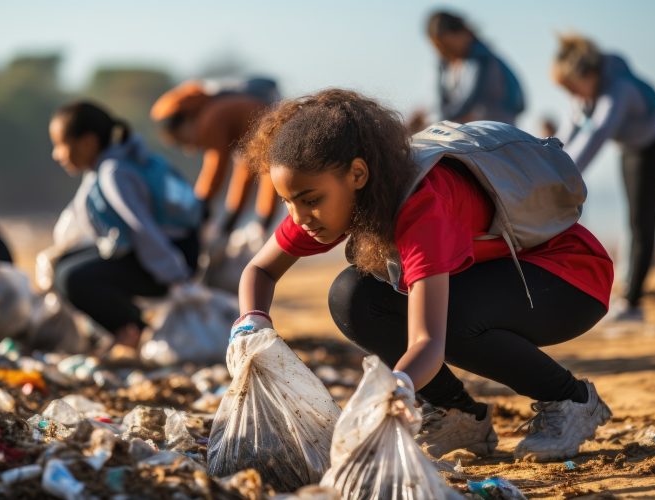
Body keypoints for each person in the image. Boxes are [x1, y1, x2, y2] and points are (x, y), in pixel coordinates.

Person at [231, 89, 614, 462]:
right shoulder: (323, 195)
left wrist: (394, 391)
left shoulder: (421, 204)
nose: (299, 218)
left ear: (358, 174)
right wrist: (251, 325)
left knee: (450, 317)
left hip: (568, 279)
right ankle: (457, 416)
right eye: (288, 202)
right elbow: (261, 270)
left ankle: (570, 399)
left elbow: (428, 340)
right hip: (495, 278)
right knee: (352, 296)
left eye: (310, 201)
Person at [48, 100, 201, 349]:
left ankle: (134, 331)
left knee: (70, 278)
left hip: (172, 256)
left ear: (88, 142)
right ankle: (131, 324)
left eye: (60, 146)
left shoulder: (113, 173)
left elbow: (142, 228)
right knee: (64, 265)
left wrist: (178, 281)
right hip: (165, 251)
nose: (56, 155)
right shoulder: (113, 164)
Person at [552, 34, 655, 322]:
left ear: (588, 74)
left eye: (573, 88)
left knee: (641, 221)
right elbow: (566, 135)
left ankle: (632, 303)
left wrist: (558, 179)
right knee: (630, 222)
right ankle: (627, 293)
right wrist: (542, 163)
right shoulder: (585, 94)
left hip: (653, 147)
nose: (573, 96)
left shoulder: (619, 90)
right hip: (630, 150)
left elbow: (596, 135)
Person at [150, 78, 279, 236]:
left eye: (182, 141)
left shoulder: (211, 118)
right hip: (272, 139)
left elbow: (216, 168)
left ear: (185, 121)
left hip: (273, 144)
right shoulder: (221, 109)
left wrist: (200, 204)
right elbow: (245, 170)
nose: (188, 148)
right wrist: (233, 218)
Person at [426, 10, 525, 125]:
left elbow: (469, 102)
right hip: (465, 131)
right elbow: (442, 101)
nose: (443, 52)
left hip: (493, 132)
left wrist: (440, 119)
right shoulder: (447, 64)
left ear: (461, 33)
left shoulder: (482, 59)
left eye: (446, 45)